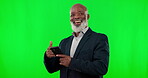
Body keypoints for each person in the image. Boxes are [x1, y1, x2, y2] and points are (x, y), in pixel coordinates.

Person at [44, 3, 109, 78]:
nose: (76, 17)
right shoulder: (64, 42)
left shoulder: (99, 38)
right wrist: (48, 56)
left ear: (87, 17)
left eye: (80, 13)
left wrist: (71, 62)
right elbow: (51, 69)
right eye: (72, 15)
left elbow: (101, 68)